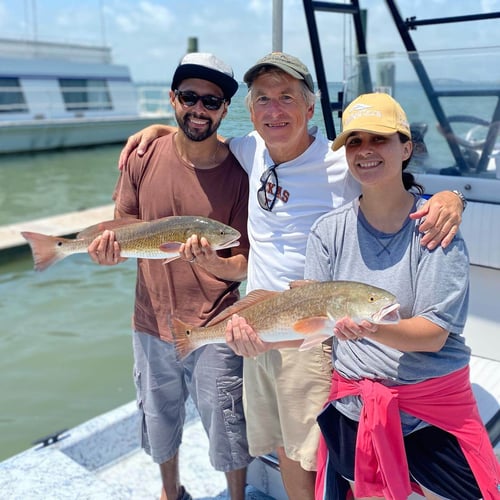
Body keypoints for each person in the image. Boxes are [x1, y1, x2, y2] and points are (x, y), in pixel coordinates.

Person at [117, 53, 466, 500]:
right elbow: (200, 139)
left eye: (286, 97)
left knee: (316, 450)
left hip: (312, 329)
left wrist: (450, 198)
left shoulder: (340, 162)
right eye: (263, 99)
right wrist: (157, 131)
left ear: (309, 108)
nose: (274, 109)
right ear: (250, 109)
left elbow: (393, 178)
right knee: (279, 440)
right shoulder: (251, 149)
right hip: (259, 322)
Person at [304, 92, 500, 500]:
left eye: (380, 139)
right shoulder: (326, 231)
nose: (366, 151)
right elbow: (311, 319)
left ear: (406, 147)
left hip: (430, 408)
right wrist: (251, 336)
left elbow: (432, 334)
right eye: (354, 142)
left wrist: (368, 328)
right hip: (353, 404)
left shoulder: (435, 227)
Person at [88, 52, 252, 500]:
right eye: (189, 97)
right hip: (150, 320)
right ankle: (170, 493)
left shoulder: (241, 175)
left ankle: (237, 497)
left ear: (224, 109)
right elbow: (123, 227)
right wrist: (106, 251)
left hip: (215, 324)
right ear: (172, 99)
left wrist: (209, 262)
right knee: (158, 418)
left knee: (228, 422)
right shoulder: (142, 154)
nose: (198, 109)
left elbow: (243, 263)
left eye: (212, 101)